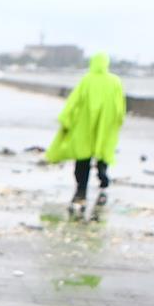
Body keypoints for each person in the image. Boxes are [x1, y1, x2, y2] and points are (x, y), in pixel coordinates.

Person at [46, 52, 126, 215]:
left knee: (83, 159)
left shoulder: (87, 80)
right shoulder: (115, 81)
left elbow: (73, 101)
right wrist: (116, 123)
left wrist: (65, 120)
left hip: (85, 128)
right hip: (105, 127)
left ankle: (81, 190)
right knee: (103, 152)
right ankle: (103, 175)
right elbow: (120, 107)